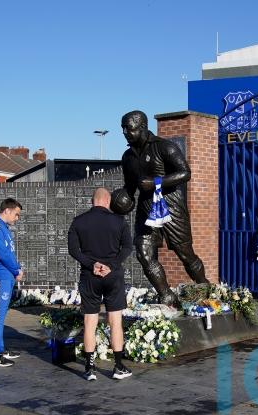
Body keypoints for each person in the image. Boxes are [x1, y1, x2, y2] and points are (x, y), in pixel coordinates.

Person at [113, 110, 209, 307]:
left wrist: (156, 182)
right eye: (123, 128)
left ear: (142, 127)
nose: (125, 132)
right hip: (146, 209)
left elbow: (185, 173)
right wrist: (122, 200)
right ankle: (166, 295)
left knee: (185, 253)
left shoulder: (165, 147)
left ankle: (205, 288)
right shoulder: (127, 157)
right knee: (143, 253)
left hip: (170, 206)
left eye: (129, 128)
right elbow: (130, 187)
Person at [68, 187, 134, 381]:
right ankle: (118, 367)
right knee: (115, 321)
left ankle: (89, 369)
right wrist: (111, 265)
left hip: (90, 276)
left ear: (93, 201)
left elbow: (73, 250)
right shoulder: (119, 221)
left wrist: (92, 264)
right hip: (113, 276)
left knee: (90, 322)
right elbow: (127, 247)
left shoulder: (78, 221)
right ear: (108, 201)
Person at [0, 198, 24, 367]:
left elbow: (9, 252)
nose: (17, 218)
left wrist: (16, 268)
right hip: (0, 277)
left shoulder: (4, 228)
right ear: (7, 211)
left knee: (0, 315)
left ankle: (0, 349)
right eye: (16, 214)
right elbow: (3, 254)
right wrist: (16, 270)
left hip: (6, 276)